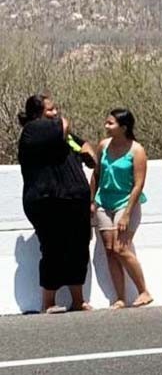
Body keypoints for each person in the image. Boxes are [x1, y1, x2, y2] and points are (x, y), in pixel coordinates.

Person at [17, 94, 93, 313]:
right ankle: (48, 302)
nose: (55, 113)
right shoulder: (33, 130)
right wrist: (61, 126)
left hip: (74, 199)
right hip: (47, 199)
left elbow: (84, 145)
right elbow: (64, 125)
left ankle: (78, 300)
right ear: (36, 114)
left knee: (78, 248)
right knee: (53, 248)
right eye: (50, 109)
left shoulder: (63, 136)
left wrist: (87, 151)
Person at [90, 109, 154, 308]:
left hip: (125, 203)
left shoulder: (137, 151)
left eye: (111, 123)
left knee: (121, 248)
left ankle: (144, 291)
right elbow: (96, 174)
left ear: (123, 127)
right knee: (110, 250)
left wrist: (126, 214)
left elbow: (138, 184)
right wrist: (92, 200)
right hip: (103, 202)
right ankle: (120, 297)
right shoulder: (103, 145)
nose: (106, 126)